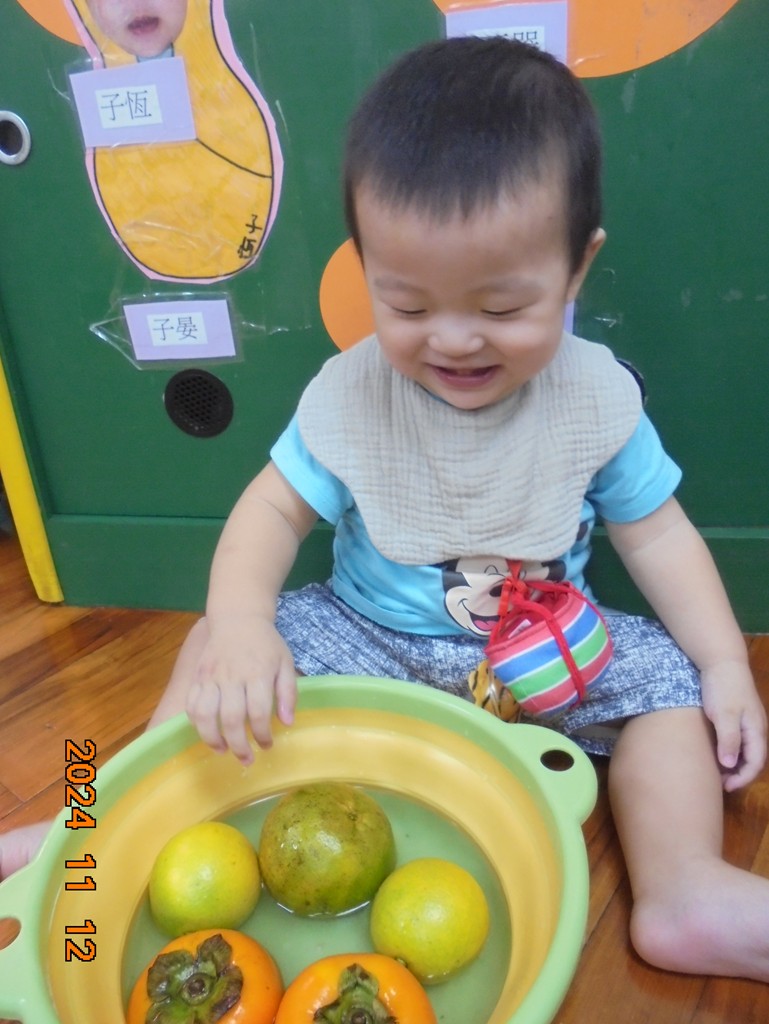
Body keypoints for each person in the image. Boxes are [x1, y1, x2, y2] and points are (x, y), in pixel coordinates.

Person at [2, 36, 768, 982]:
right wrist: (241, 627)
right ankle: (90, 822)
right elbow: (269, 515)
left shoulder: (594, 398)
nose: (453, 340)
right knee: (211, 647)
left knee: (671, 688)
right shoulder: (352, 393)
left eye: (500, 308)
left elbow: (659, 536)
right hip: (363, 641)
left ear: (577, 268)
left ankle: (685, 890)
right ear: (365, 267)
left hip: (543, 656)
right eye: (406, 306)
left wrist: (723, 662)